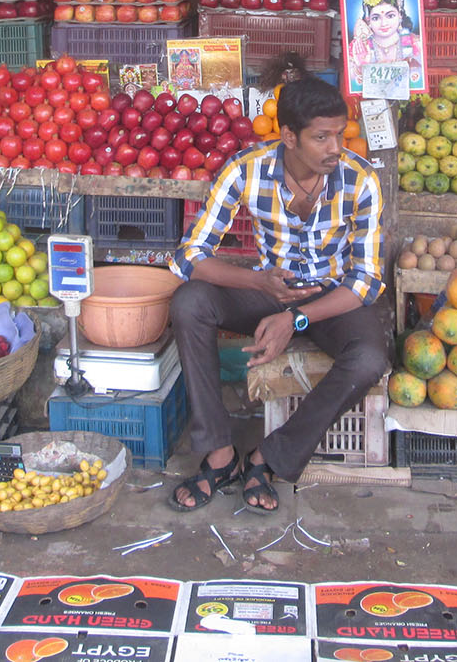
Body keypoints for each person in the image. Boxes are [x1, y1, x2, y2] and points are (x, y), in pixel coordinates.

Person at [166, 71, 389, 516]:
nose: (335, 148)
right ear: (288, 135)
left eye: (339, 135)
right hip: (269, 287)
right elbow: (189, 256)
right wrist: (256, 282)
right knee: (190, 301)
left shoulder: (360, 180)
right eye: (321, 137)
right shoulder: (246, 170)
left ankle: (269, 457)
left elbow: (364, 281)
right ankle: (219, 453)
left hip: (331, 297)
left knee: (370, 358)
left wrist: (297, 319)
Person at [347, 0, 424, 92]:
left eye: (390, 16)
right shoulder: (358, 47)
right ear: (368, 21)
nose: (384, 23)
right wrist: (361, 66)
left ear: (400, 16)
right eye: (376, 18)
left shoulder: (415, 43)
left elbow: (418, 76)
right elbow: (354, 82)